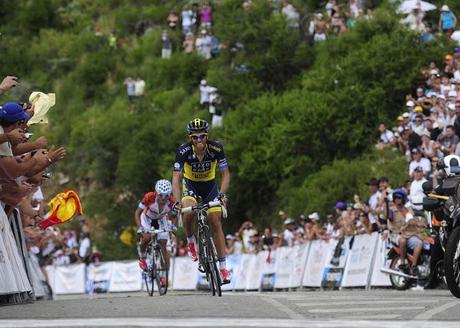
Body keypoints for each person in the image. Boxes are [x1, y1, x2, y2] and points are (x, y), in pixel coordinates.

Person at [172, 118, 231, 284]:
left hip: (211, 187)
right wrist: (177, 201)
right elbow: (176, 178)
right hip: (191, 185)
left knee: (215, 221)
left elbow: (225, 174)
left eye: (202, 136)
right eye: (195, 137)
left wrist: (222, 194)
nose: (199, 140)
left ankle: (223, 268)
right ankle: (191, 241)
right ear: (190, 138)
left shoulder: (216, 148)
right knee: (188, 210)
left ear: (207, 136)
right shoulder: (183, 151)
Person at [135, 179, 175, 286]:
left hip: (162, 220)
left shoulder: (171, 201)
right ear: (157, 193)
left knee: (163, 245)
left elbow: (175, 214)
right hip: (147, 218)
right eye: (161, 195)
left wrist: (172, 225)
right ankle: (142, 257)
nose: (163, 198)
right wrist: (140, 227)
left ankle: (164, 276)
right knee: (147, 238)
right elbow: (137, 213)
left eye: (166, 195)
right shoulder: (149, 197)